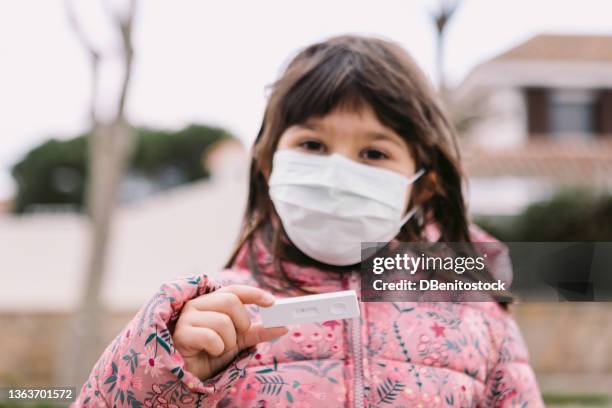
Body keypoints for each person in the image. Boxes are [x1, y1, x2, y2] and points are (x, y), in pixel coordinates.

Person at [73, 35, 543, 407]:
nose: (338, 173)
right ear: (267, 164)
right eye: (312, 145)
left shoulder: (477, 315)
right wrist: (165, 368)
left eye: (374, 153)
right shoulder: (214, 315)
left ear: (421, 185)